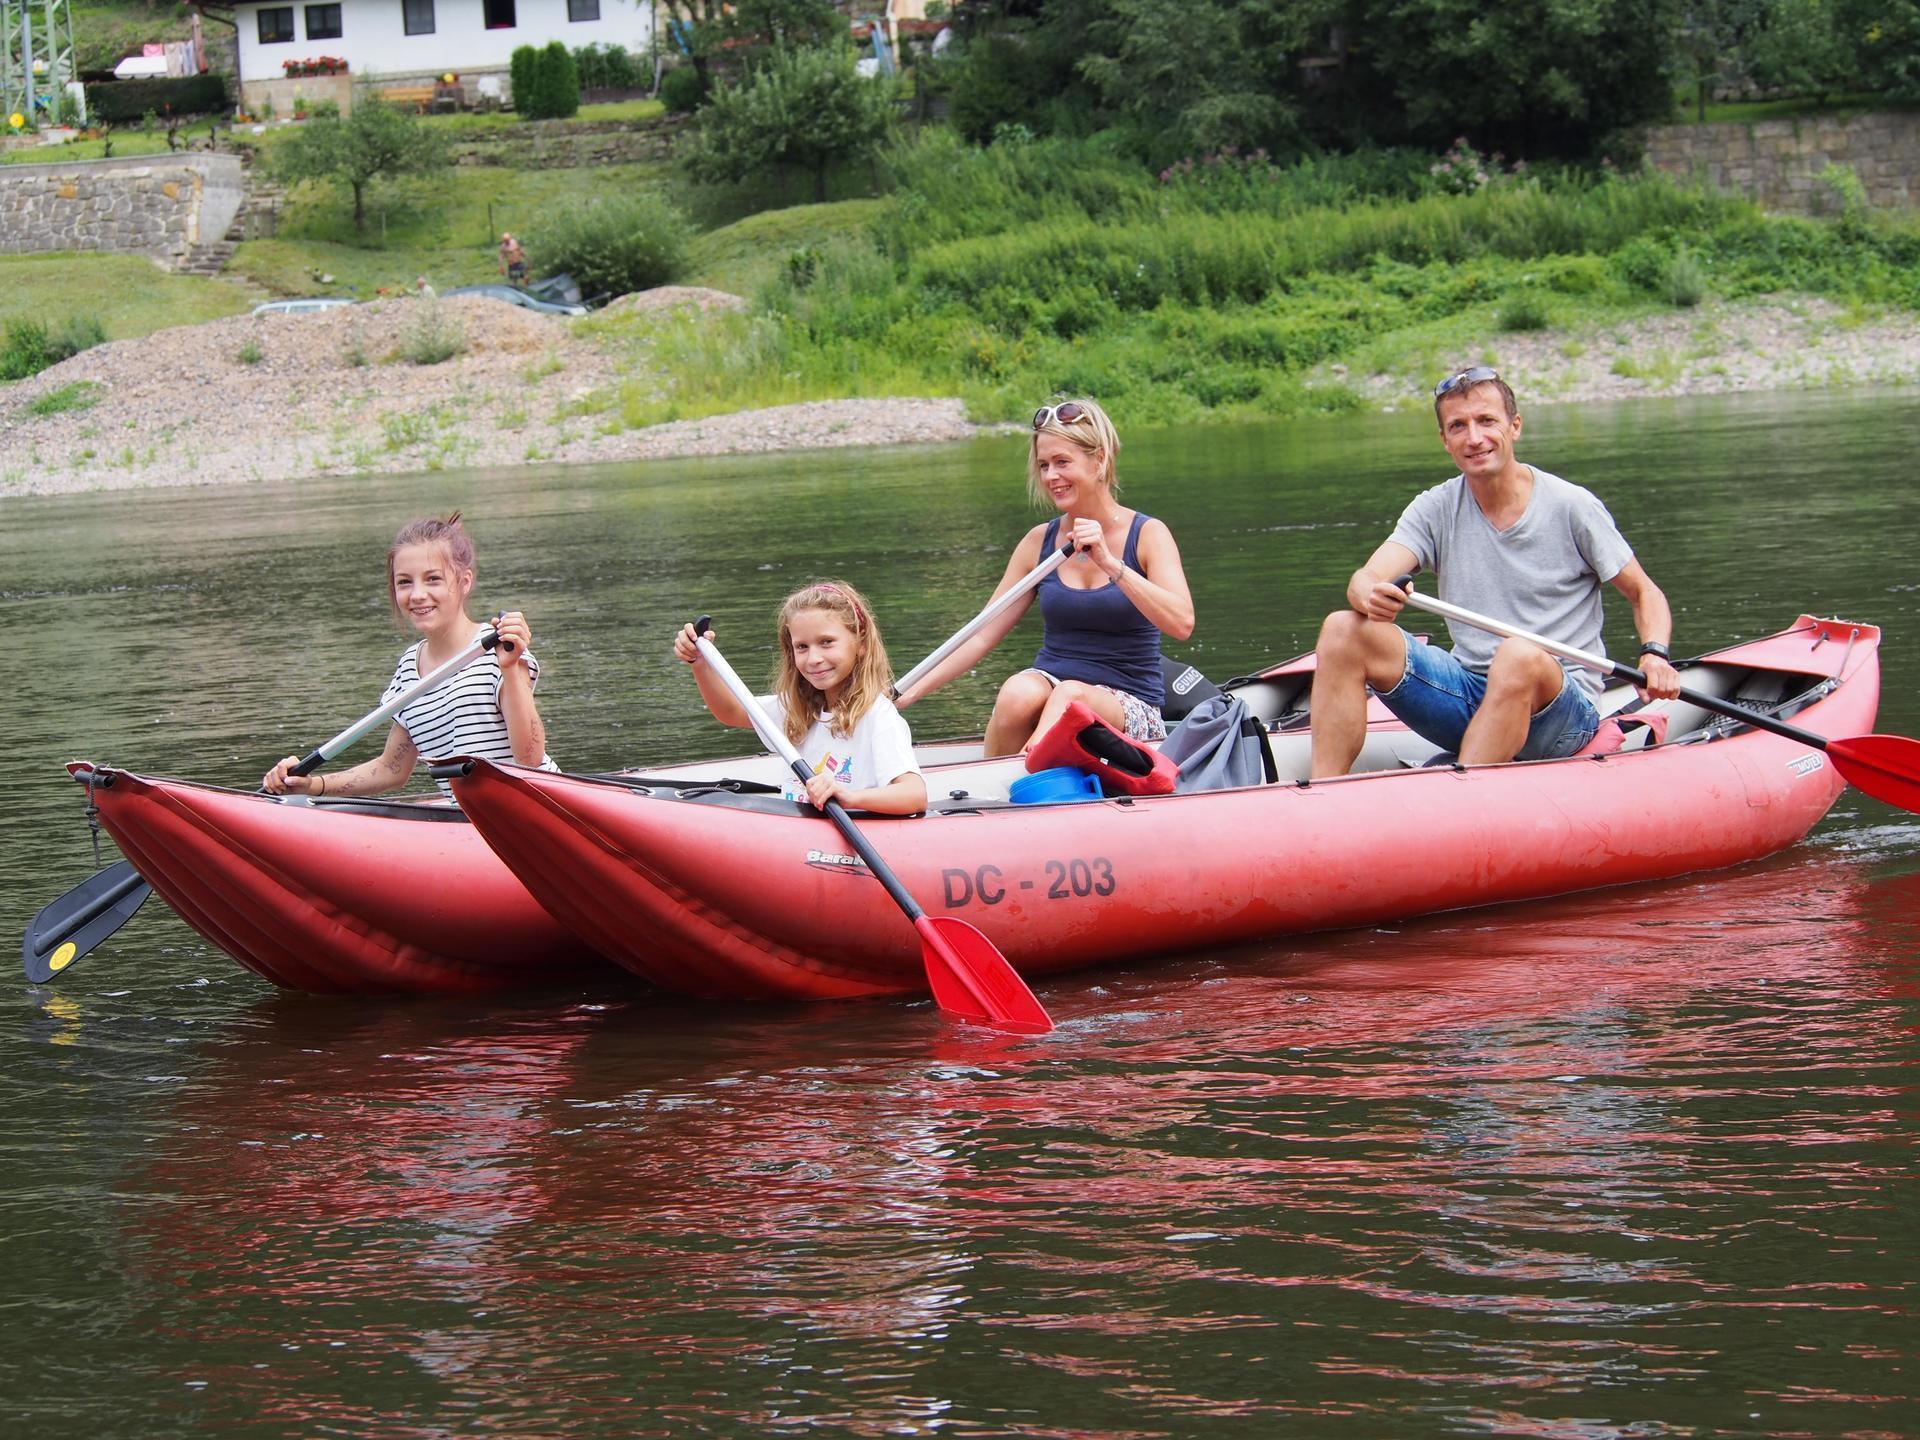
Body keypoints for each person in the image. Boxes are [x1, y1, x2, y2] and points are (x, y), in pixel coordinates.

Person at [1308, 366, 1682, 778]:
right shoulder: (1435, 508)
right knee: (1342, 628)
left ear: (1514, 426)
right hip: (1468, 694)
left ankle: (1466, 800)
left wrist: (1655, 655)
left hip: (1560, 712)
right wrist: (1369, 595)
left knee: (1518, 654)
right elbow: (1366, 577)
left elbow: (1645, 592)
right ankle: (1324, 794)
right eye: (1458, 426)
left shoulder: (1572, 506)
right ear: (1445, 440)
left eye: (1487, 421)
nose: (1474, 438)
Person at [896, 397, 1194, 756]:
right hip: (1051, 684)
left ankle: (1027, 767)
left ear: (1098, 460)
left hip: (1129, 701)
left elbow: (1182, 623)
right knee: (1017, 692)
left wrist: (1110, 563)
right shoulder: (1038, 543)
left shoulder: (1148, 534)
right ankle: (994, 787)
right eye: (1044, 465)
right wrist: (904, 694)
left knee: (1072, 696)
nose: (1051, 476)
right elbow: (978, 637)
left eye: (1062, 462)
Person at [263, 513, 556, 801]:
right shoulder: (408, 668)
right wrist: (312, 784)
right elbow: (392, 769)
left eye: (433, 579)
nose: (417, 595)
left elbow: (529, 758)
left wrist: (509, 669)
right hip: (473, 822)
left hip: (540, 809)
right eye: (404, 582)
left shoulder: (501, 650)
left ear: (464, 582)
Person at [673, 581, 928, 816]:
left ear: (860, 644)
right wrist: (700, 663)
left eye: (826, 642)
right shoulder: (797, 708)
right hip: (799, 833)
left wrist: (848, 797)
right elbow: (729, 711)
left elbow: (914, 795)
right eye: (802, 647)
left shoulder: (877, 716)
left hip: (851, 836)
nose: (814, 658)